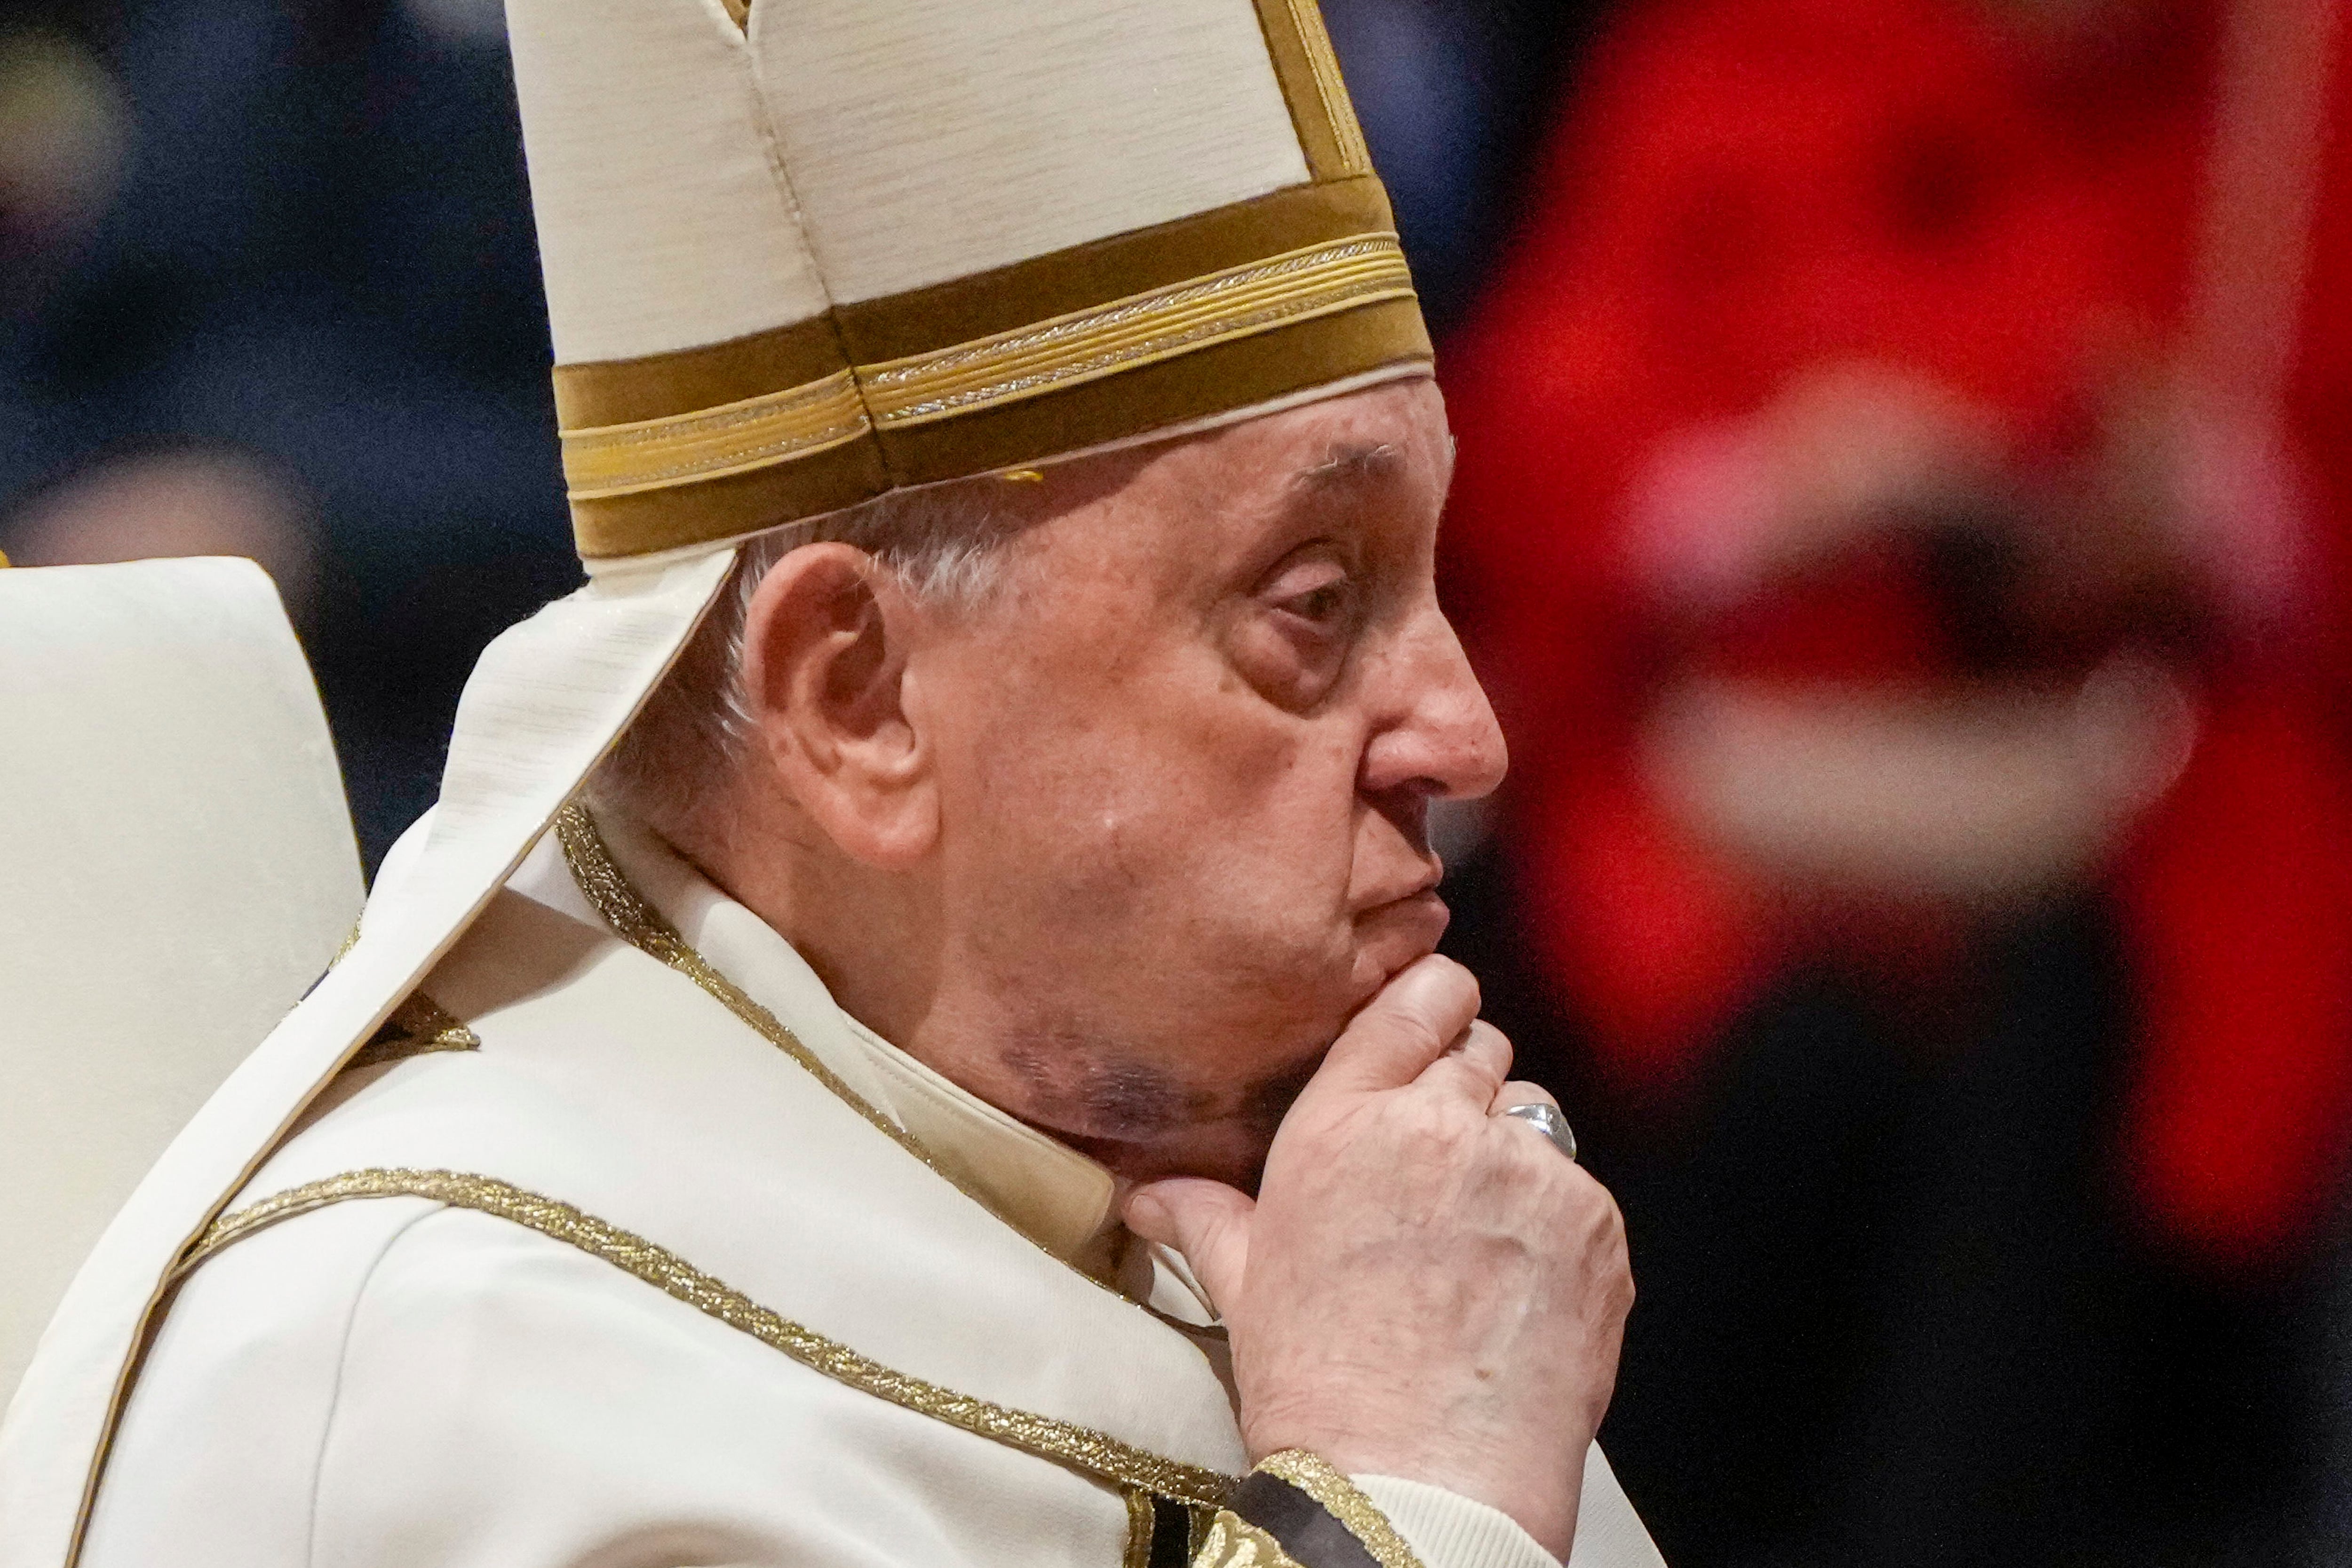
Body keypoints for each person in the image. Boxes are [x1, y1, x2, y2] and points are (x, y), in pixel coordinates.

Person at [0, 2, 1663, 1567]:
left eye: (1431, 582)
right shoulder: (469, 1389)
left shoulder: (1352, 1232)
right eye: (1313, 602)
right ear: (856, 700)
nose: (1465, 735)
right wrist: (1406, 1501)